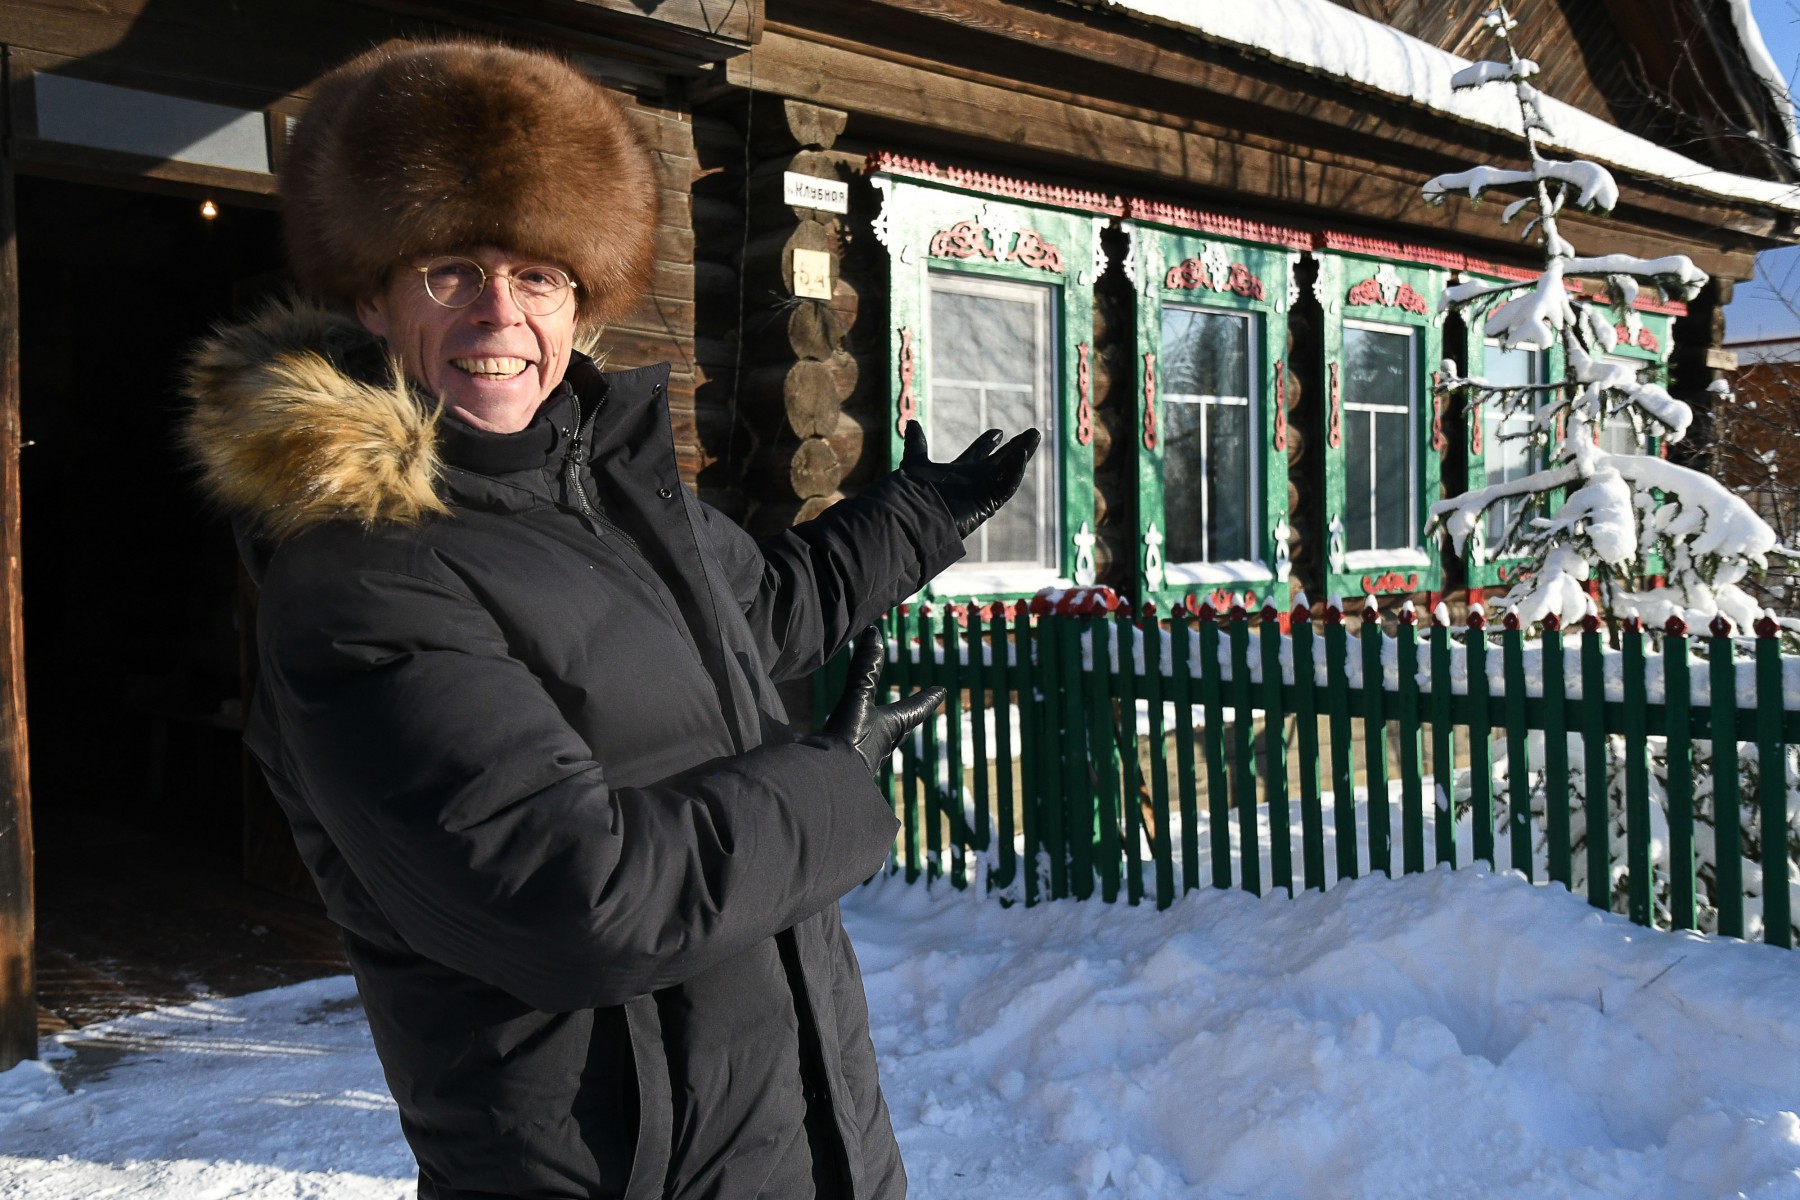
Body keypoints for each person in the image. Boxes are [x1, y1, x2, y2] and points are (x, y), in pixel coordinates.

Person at [180, 38, 1038, 1200]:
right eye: (451, 271)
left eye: (538, 274)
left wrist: (921, 516)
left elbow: (763, 614)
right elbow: (575, 901)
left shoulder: (609, 490)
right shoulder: (359, 582)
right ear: (373, 296)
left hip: (797, 1125)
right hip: (613, 1168)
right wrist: (834, 784)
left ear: (580, 297)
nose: (500, 312)